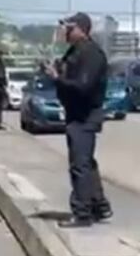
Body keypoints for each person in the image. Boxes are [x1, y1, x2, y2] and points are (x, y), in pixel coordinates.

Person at [45, 12, 112, 228]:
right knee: (87, 164)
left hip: (85, 115)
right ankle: (99, 205)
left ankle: (82, 212)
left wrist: (58, 78)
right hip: (75, 113)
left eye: (70, 28)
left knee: (80, 165)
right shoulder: (75, 52)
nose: (66, 32)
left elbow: (83, 86)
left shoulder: (91, 53)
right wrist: (55, 72)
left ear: (81, 29)